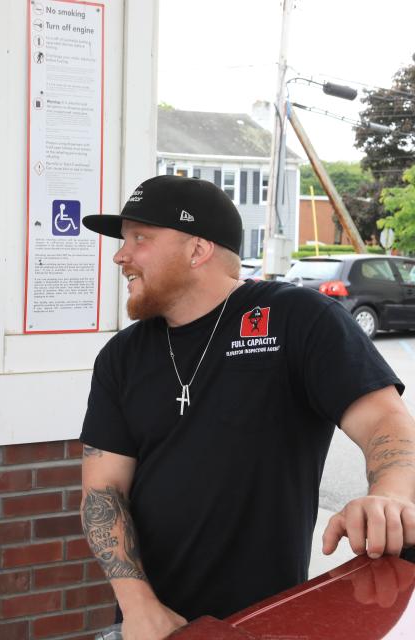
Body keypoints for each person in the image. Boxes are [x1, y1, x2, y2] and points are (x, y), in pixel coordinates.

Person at [78, 175, 415, 640]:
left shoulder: (298, 319)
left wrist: (392, 495)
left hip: (269, 621)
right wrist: (139, 606)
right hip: (154, 625)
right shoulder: (121, 357)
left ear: (198, 251)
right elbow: (103, 492)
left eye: (140, 238)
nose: (121, 255)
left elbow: (385, 420)